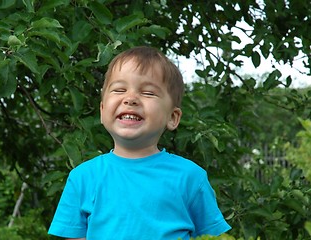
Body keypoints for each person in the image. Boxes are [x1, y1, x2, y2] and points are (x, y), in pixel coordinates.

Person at [48, 46, 231, 240]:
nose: (130, 99)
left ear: (172, 117)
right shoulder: (82, 178)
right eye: (119, 90)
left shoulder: (191, 178)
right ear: (102, 111)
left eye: (148, 93)